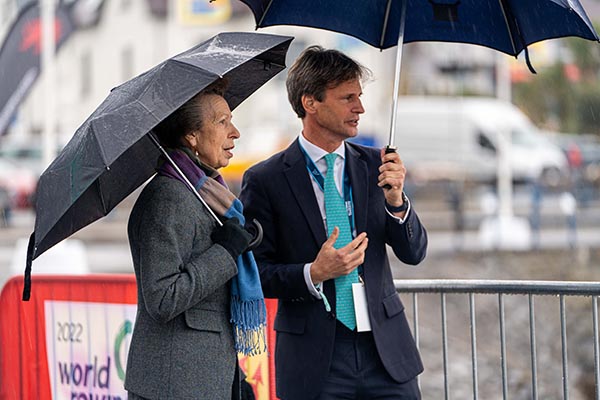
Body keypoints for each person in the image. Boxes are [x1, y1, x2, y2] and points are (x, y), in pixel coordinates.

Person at [239, 46, 428, 400]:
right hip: (314, 360)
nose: (360, 108)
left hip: (385, 351)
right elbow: (255, 273)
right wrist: (314, 272)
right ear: (310, 103)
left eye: (359, 96)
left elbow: (414, 253)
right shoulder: (265, 180)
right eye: (347, 98)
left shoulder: (379, 166)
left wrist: (396, 201)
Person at [125, 80, 265, 400]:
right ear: (192, 136)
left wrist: (235, 379)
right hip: (174, 384)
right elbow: (162, 298)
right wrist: (225, 252)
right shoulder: (168, 197)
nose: (235, 132)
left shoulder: (206, 194)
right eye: (222, 122)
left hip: (205, 377)